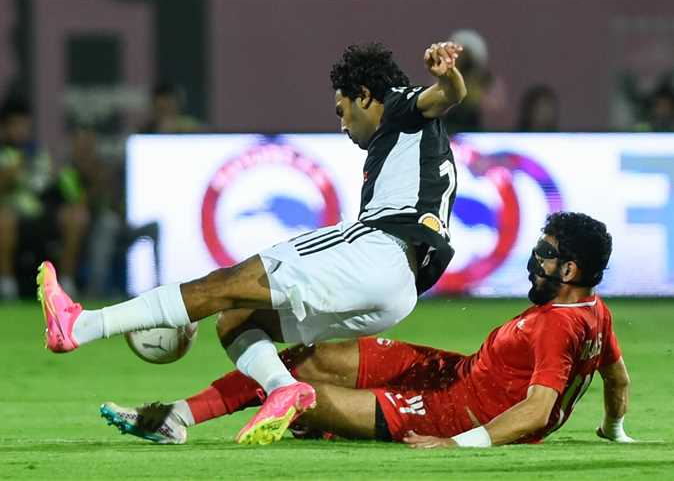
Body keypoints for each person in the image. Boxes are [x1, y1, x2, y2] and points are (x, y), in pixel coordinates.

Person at [38, 41, 467, 444]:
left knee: (222, 285)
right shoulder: (407, 141)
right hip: (400, 291)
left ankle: (80, 326)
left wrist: (447, 75)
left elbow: (445, 96)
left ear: (365, 96)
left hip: (379, 250)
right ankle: (277, 390)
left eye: (343, 110)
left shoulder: (398, 103)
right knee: (237, 318)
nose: (342, 125)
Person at [100, 212, 634, 448]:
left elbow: (537, 412)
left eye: (545, 254)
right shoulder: (595, 312)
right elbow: (618, 380)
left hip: (449, 415)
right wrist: (612, 430)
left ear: (570, 270)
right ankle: (178, 417)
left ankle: (183, 417)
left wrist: (459, 445)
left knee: (302, 399)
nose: (535, 260)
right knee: (304, 360)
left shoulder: (554, 326)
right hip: (450, 373)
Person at [0, 95, 87, 298]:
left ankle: (66, 281)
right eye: (15, 125)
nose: (20, 130)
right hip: (13, 214)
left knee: (77, 216)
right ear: (5, 127)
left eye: (24, 125)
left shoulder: (39, 153)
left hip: (44, 212)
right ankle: (6, 284)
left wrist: (59, 177)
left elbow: (63, 188)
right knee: (4, 219)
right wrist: (8, 176)